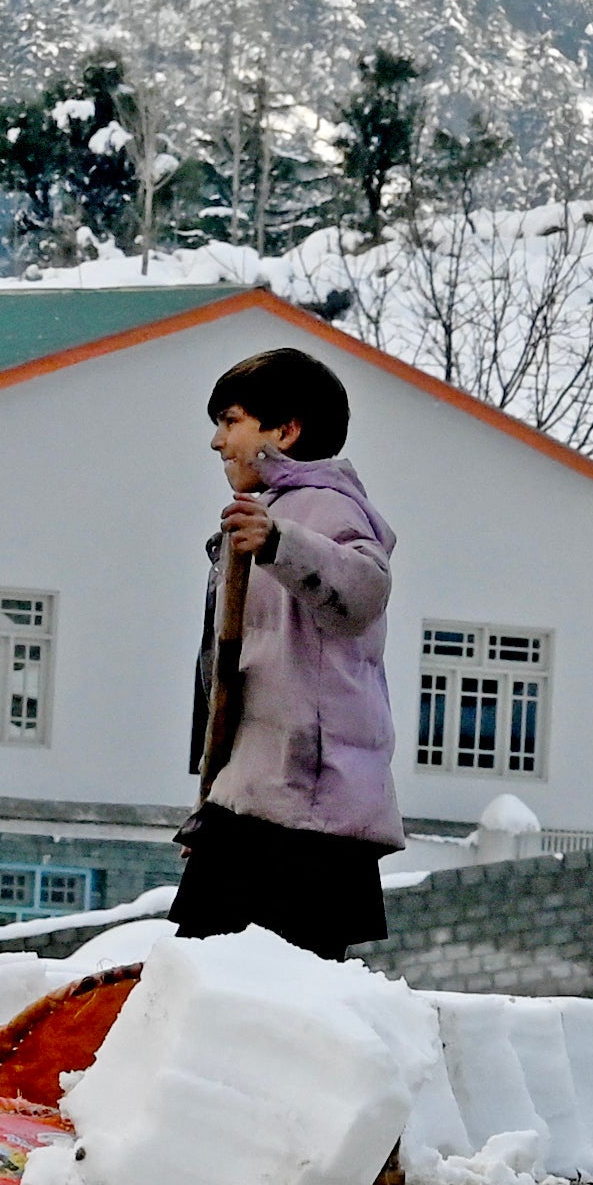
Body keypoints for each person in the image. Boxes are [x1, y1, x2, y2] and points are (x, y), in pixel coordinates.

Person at [174, 345, 399, 960]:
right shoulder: (255, 517)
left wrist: (281, 544)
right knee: (209, 980)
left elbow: (364, 590)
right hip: (252, 799)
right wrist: (212, 800)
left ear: (287, 430)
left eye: (231, 421)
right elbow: (225, 682)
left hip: (310, 811)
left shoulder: (331, 509)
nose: (218, 443)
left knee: (252, 993)